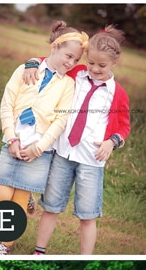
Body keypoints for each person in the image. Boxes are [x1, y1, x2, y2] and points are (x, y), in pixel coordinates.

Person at [0, 22, 87, 256]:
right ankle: (29, 194)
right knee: (1, 197)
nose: (71, 63)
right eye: (69, 56)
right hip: (13, 141)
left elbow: (60, 121)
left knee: (19, 201)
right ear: (55, 47)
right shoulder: (25, 70)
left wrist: (39, 148)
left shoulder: (68, 84)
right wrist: (11, 139)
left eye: (76, 60)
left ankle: (6, 243)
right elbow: (7, 104)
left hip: (39, 150)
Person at [33, 26, 131, 255]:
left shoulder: (117, 93)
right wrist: (30, 63)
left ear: (114, 63)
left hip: (91, 160)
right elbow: (50, 61)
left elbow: (124, 126)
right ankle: (39, 251)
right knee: (51, 207)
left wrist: (112, 142)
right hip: (63, 154)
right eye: (91, 63)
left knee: (87, 215)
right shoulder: (76, 74)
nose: (95, 69)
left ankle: (84, 258)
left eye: (102, 65)